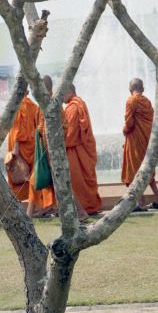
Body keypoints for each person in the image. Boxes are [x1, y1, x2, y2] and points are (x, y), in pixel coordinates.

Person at [27, 75, 69, 219]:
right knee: (53, 182)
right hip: (46, 152)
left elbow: (64, 127)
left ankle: (29, 215)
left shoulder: (52, 104)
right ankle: (43, 209)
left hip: (51, 152)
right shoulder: (45, 104)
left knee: (55, 182)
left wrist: (51, 146)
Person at [121, 78, 158, 211]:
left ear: (130, 90)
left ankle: (141, 203)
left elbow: (129, 123)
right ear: (143, 89)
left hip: (135, 140)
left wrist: (124, 131)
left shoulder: (131, 100)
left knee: (135, 171)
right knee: (147, 170)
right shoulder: (147, 101)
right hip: (145, 139)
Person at [64, 84, 102, 216]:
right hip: (80, 150)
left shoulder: (74, 107)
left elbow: (71, 134)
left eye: (63, 93)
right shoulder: (78, 104)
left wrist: (57, 143)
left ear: (69, 92)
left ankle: (86, 208)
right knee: (84, 178)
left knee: (79, 180)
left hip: (76, 150)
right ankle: (88, 206)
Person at [6, 93, 39, 203]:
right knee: (30, 174)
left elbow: (19, 128)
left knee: (18, 173)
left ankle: (18, 204)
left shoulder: (20, 105)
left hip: (21, 147)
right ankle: (39, 204)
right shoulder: (34, 105)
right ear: (28, 92)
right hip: (32, 146)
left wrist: (16, 148)